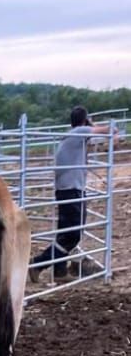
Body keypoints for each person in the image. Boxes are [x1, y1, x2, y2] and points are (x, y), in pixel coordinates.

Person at [28, 106, 120, 282]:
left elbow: (97, 138)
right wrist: (114, 133)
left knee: (66, 232)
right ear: (84, 120)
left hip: (68, 189)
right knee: (73, 234)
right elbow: (108, 130)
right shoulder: (80, 132)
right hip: (71, 190)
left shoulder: (73, 137)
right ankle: (38, 264)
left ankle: (60, 271)